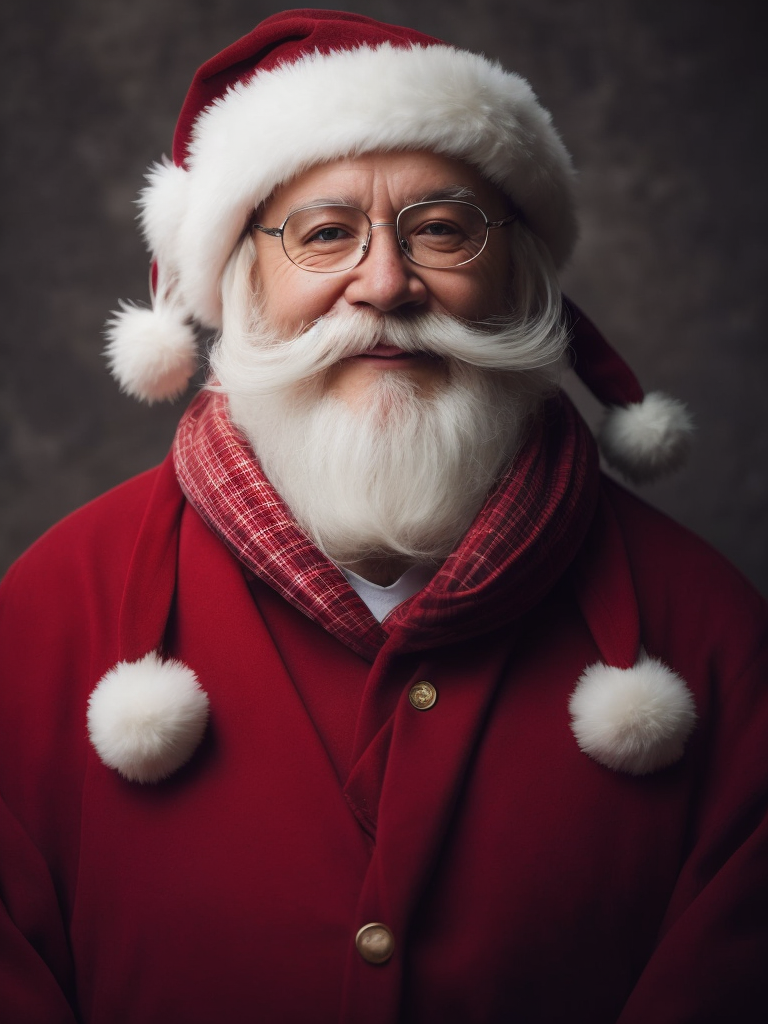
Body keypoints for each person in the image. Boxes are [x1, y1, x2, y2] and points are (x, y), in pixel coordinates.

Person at [1, 9, 766, 1023]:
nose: (388, 282)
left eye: (443, 229)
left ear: (517, 277)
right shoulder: (49, 613)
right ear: (240, 283)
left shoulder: (708, 628)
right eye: (325, 234)